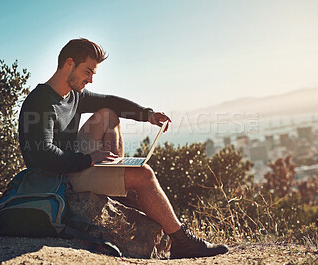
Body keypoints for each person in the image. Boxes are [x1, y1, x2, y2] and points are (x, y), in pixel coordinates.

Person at [18, 38, 228, 259]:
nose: (90, 80)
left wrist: (147, 114)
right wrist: (88, 159)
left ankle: (118, 186)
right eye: (87, 72)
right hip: (58, 179)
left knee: (108, 113)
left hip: (73, 160)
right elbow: (43, 155)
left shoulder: (73, 95)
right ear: (69, 63)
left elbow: (111, 101)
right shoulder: (41, 102)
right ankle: (182, 242)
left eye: (93, 74)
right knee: (143, 174)